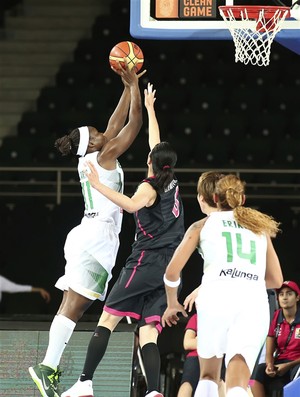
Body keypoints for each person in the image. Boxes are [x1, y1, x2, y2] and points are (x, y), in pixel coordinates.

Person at [61, 82, 185, 397]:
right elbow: (154, 143)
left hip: (145, 262)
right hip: (170, 268)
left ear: (151, 163)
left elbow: (129, 205)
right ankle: (154, 391)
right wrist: (150, 107)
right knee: (148, 332)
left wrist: (96, 184)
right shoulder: (170, 181)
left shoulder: (148, 188)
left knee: (108, 318)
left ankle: (85, 383)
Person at [29, 60, 144, 397]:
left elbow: (114, 123)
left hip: (87, 233)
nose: (101, 132)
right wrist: (135, 86)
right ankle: (47, 367)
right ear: (93, 145)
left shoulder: (92, 155)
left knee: (73, 304)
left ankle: (48, 366)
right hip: (97, 238)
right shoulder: (104, 154)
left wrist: (126, 87)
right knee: (75, 306)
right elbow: (133, 122)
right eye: (95, 134)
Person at [162, 173, 284, 397]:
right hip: (253, 304)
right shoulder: (260, 227)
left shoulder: (202, 225)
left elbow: (171, 272)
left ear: (215, 198)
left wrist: (172, 303)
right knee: (237, 383)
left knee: (208, 376)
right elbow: (276, 280)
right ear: (242, 199)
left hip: (216, 299)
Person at [250, 280, 300, 397]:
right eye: (281, 294)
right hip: (280, 362)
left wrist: (288, 365)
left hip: (296, 363)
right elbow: (270, 343)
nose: (285, 297)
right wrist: (269, 364)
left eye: (289, 294)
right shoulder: (276, 316)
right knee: (254, 376)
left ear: (297, 298)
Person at [177, 313, 226, 397]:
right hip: (196, 356)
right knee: (188, 383)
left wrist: (201, 340)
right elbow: (187, 343)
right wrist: (214, 341)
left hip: (218, 357)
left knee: (220, 383)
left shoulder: (225, 318)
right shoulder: (197, 317)